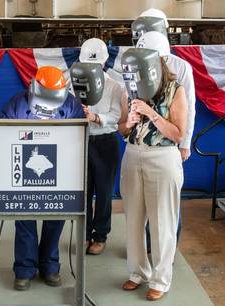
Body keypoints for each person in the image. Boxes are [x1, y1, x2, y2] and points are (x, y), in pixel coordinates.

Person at [2, 66, 85, 291]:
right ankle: (24, 269)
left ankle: (50, 266)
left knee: (56, 217)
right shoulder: (16, 105)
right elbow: (3, 138)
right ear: (34, 86)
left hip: (60, 172)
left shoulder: (71, 105)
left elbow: (80, 137)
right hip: (25, 172)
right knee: (24, 218)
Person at [118, 46, 188, 300]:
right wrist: (129, 123)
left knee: (162, 222)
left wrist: (151, 113)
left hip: (163, 158)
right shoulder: (132, 90)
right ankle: (137, 273)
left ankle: (160, 279)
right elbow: (122, 129)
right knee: (134, 220)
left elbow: (178, 134)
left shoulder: (176, 90)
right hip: (133, 153)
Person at [134, 28, 196, 251]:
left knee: (168, 204)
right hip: (144, 145)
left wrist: (185, 143)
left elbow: (189, 107)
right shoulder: (139, 68)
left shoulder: (181, 69)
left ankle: (168, 249)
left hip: (169, 145)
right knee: (146, 201)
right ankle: (150, 246)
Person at [78, 38, 122, 255]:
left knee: (104, 193)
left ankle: (100, 236)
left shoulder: (114, 86)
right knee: (84, 191)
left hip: (106, 142)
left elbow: (116, 116)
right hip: (82, 140)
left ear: (104, 63)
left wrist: (96, 117)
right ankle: (84, 234)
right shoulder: (73, 84)